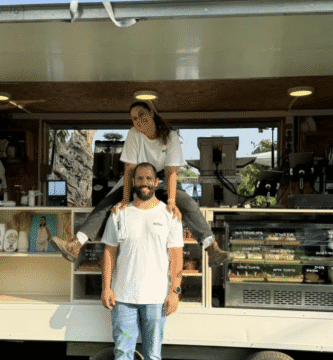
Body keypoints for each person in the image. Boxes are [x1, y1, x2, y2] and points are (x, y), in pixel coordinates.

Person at [51, 100, 230, 266]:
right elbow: (129, 169)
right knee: (105, 204)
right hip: (137, 178)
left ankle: (211, 248)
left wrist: (172, 202)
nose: (138, 122)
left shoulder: (170, 136)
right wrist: (125, 198)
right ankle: (75, 245)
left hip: (161, 180)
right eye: (134, 119)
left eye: (141, 117)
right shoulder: (133, 134)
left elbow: (171, 171)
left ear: (151, 113)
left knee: (188, 203)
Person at [100, 162, 183, 360]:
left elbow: (176, 256)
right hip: (123, 296)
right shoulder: (120, 213)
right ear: (133, 182)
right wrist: (106, 287)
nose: (144, 182)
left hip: (156, 297)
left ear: (157, 182)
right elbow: (110, 252)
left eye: (149, 178)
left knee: (153, 354)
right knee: (123, 354)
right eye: (139, 178)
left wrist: (175, 290)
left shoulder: (170, 214)